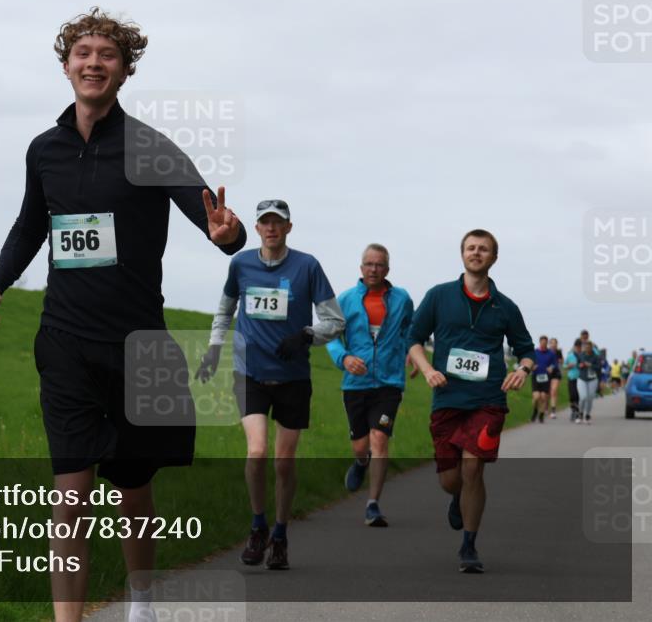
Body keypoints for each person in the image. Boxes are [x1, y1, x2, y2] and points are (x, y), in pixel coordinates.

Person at [0, 8, 247, 622]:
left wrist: (228, 233)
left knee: (133, 490)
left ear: (124, 71)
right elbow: (30, 226)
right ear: (66, 65)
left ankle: (140, 602)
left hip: (137, 345)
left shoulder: (150, 148)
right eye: (83, 53)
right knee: (71, 495)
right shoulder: (44, 150)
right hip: (65, 340)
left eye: (107, 55)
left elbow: (212, 219)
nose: (93, 63)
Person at [196, 199, 344, 570]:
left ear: (289, 228)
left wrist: (306, 335)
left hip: (293, 376)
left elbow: (335, 321)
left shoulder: (307, 267)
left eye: (278, 222)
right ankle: (257, 526)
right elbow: (225, 309)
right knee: (258, 451)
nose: (272, 228)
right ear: (258, 227)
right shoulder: (240, 263)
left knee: (283, 462)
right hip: (250, 372)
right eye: (265, 222)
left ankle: (280, 533)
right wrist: (214, 349)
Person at [408, 229, 535, 574]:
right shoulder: (439, 296)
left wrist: (522, 370)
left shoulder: (505, 307)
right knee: (451, 480)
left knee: (473, 468)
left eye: (484, 249)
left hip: (488, 399)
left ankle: (469, 545)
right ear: (462, 254)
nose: (476, 253)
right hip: (448, 397)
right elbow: (414, 338)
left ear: (494, 258)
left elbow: (526, 350)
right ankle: (456, 497)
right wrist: (427, 369)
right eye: (471, 248)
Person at [325, 243, 413, 527]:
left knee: (379, 439)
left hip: (389, 383)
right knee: (361, 446)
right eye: (369, 264)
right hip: (356, 384)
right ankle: (361, 462)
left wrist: (412, 352)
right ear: (361, 268)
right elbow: (331, 336)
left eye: (379, 265)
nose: (374, 269)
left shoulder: (402, 299)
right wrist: (344, 358)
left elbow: (411, 329)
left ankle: (373, 504)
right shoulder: (346, 300)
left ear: (387, 269)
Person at [531, 336, 557, 424]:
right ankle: (535, 410)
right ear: (539, 342)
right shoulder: (535, 352)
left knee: (543, 397)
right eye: (542, 342)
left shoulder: (551, 353)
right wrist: (532, 366)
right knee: (536, 397)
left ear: (547, 343)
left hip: (546, 377)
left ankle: (541, 414)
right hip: (536, 376)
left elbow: (555, 364)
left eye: (545, 343)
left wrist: (551, 367)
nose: (543, 344)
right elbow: (530, 362)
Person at [576, 341, 601, 424]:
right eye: (585, 347)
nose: (587, 348)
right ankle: (580, 414)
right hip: (582, 378)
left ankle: (587, 415)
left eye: (589, 347)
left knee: (590, 398)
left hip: (592, 379)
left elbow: (599, 367)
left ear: (591, 347)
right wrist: (580, 365)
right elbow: (577, 365)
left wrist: (590, 365)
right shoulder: (581, 355)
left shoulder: (596, 357)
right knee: (583, 397)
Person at [564, 339, 583, 422]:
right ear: (574, 347)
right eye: (577, 347)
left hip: (581, 378)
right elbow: (564, 366)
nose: (578, 348)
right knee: (572, 395)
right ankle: (573, 410)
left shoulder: (583, 355)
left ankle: (577, 412)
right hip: (571, 377)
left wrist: (583, 365)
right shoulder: (570, 355)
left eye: (580, 347)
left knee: (578, 396)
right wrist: (569, 366)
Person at [547, 337, 563, 419]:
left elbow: (561, 361)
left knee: (553, 391)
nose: (553, 345)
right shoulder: (546, 352)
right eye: (552, 343)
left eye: (555, 343)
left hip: (556, 373)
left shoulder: (558, 352)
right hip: (546, 373)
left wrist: (559, 361)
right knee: (547, 393)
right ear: (549, 344)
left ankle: (553, 411)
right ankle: (546, 408)